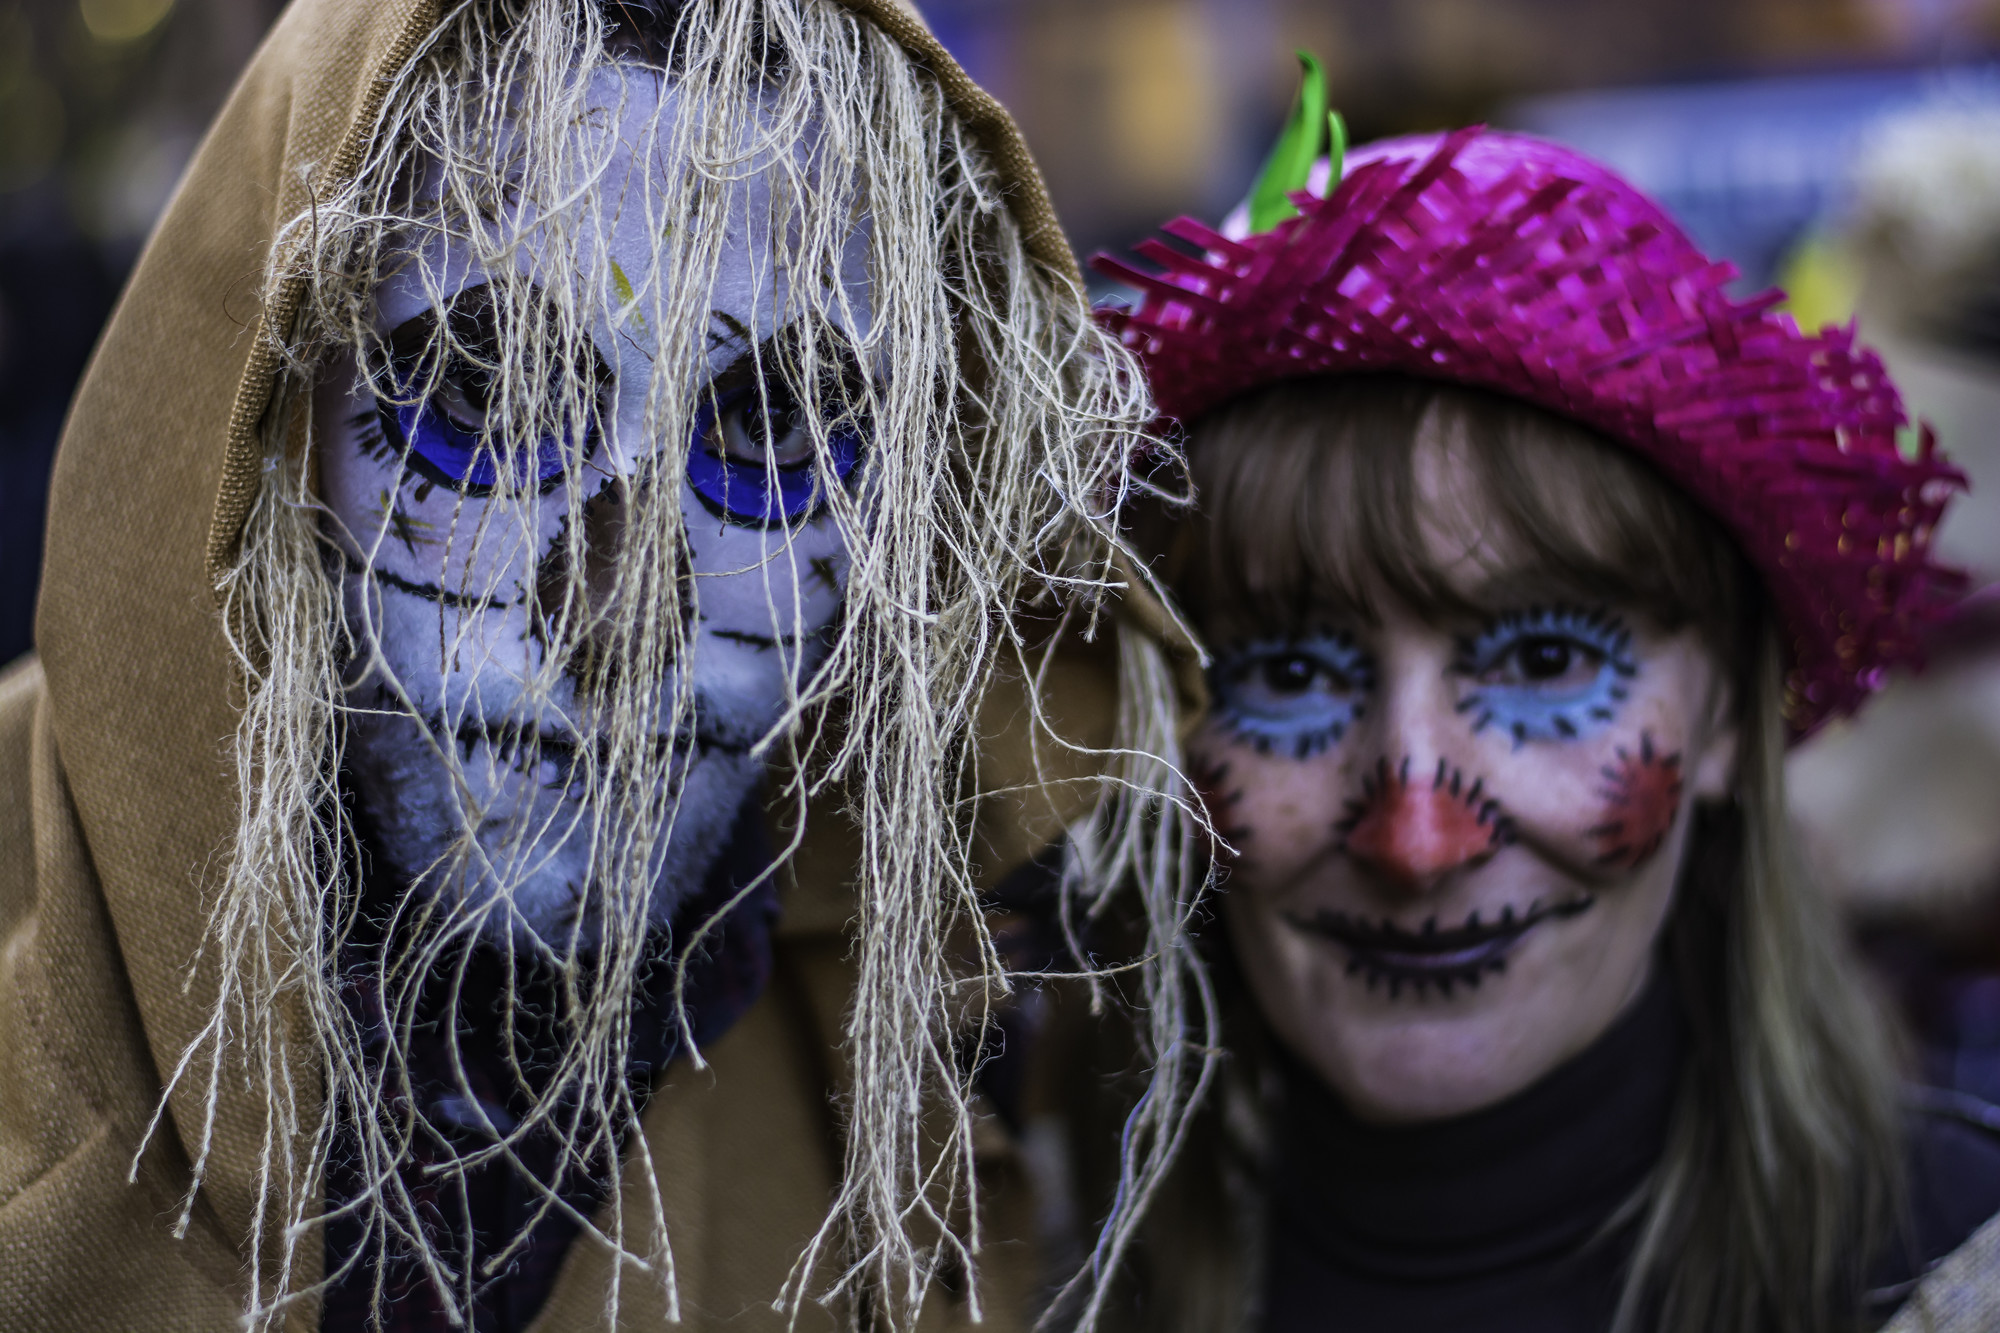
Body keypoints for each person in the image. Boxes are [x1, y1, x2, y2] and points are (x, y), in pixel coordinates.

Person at [0, 1, 1207, 1330]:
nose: (622, 615)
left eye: (776, 423)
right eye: (482, 385)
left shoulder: (916, 1152)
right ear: (259, 399)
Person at [1083, 106, 2000, 1333]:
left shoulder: (1960, 1274)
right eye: (1290, 673)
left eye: (1545, 658)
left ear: (1727, 710)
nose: (1416, 838)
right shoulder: (995, 1264)